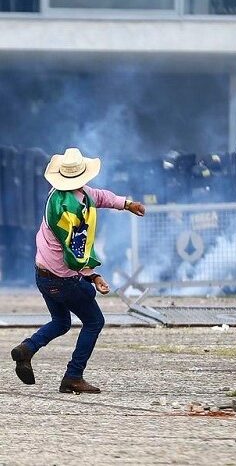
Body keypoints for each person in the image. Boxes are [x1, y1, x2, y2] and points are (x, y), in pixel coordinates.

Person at [10, 148, 146, 394]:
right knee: (94, 321)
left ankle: (27, 349)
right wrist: (94, 276)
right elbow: (75, 252)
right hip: (63, 278)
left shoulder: (63, 194)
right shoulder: (67, 212)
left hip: (43, 274)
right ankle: (73, 376)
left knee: (61, 322)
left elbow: (100, 196)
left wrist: (126, 204)